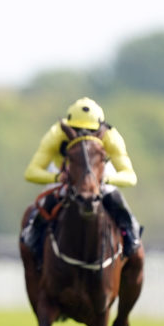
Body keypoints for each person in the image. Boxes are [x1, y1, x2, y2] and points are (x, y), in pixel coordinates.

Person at [21, 96, 142, 262]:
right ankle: (33, 237)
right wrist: (57, 176)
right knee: (48, 202)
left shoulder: (111, 137)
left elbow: (130, 176)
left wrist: (105, 180)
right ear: (68, 127)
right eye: (76, 130)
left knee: (115, 198)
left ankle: (131, 237)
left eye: (91, 132)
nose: (83, 136)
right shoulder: (56, 133)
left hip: (99, 174)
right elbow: (31, 172)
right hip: (64, 173)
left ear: (101, 129)